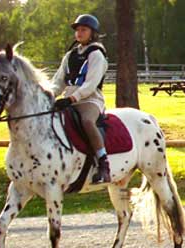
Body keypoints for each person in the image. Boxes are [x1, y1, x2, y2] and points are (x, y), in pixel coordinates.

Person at [50, 14, 111, 184]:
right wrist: (50, 94)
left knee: (86, 122)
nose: (79, 33)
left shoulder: (96, 54)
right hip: (68, 98)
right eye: (77, 30)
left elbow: (91, 84)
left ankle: (103, 162)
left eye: (83, 30)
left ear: (92, 33)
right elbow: (58, 80)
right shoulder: (70, 55)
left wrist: (71, 99)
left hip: (90, 100)